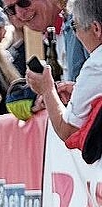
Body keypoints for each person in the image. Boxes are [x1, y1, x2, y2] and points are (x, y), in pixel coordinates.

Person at [26, 0, 102, 142]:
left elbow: (67, 130)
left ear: (96, 28)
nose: (75, 34)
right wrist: (79, 90)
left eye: (73, 26)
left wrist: (47, 90)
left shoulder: (96, 64)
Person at [2, 0, 89, 81]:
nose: (20, 14)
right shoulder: (58, 30)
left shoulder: (81, 19)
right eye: (11, 9)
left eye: (23, 2)